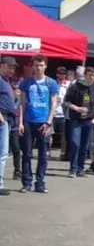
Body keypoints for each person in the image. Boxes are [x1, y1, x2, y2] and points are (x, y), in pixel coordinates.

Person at [18, 56, 58, 194]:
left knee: (43, 155)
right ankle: (26, 183)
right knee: (27, 154)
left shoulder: (51, 83)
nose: (38, 68)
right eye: (36, 65)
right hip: (29, 122)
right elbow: (22, 104)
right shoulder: (26, 82)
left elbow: (54, 103)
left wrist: (49, 122)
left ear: (45, 66)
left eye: (41, 65)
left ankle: (40, 183)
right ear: (32, 66)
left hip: (44, 122)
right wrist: (20, 122)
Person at [63, 67, 94, 177]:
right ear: (85, 75)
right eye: (90, 75)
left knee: (85, 146)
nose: (92, 77)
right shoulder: (75, 87)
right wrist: (77, 108)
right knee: (75, 143)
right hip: (76, 120)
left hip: (89, 120)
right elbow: (66, 102)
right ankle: (73, 169)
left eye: (93, 75)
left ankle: (80, 169)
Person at [0, 57, 17, 197]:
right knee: (2, 153)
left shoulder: (6, 81)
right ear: (3, 66)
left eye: (14, 67)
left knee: (3, 153)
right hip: (2, 118)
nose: (12, 70)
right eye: (10, 67)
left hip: (7, 119)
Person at [50, 65, 68, 160]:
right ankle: (47, 152)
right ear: (57, 74)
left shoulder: (68, 85)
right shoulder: (52, 83)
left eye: (64, 73)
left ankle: (63, 153)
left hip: (63, 114)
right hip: (52, 113)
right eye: (60, 73)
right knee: (49, 134)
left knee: (64, 135)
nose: (62, 75)